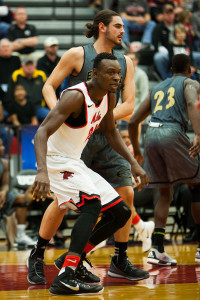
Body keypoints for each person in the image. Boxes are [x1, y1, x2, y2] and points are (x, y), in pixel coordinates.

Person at [27, 9, 153, 286]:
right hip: (60, 156)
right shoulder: (75, 89)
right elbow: (42, 130)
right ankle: (59, 270)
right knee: (84, 204)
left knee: (120, 209)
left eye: (117, 74)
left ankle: (76, 260)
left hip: (81, 153)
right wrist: (42, 171)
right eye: (117, 26)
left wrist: (134, 162)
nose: (116, 78)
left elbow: (111, 130)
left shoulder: (109, 93)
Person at [129, 53, 200, 265]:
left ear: (170, 70)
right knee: (197, 185)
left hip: (150, 135)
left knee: (164, 192)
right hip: (172, 132)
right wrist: (198, 132)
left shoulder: (158, 88)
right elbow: (191, 102)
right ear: (190, 70)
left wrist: (136, 150)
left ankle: (157, 250)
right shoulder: (190, 82)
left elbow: (133, 121)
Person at [0, 138, 36, 247]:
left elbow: (5, 183)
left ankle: (20, 234)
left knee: (21, 198)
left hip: (1, 194)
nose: (3, 147)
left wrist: (4, 191)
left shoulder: (4, 163)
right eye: (1, 145)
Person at [5, 55, 49, 122]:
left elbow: (48, 92)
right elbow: (9, 95)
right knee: (4, 115)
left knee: (51, 116)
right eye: (26, 65)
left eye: (31, 65)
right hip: (19, 107)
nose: (29, 67)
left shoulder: (42, 75)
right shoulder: (16, 75)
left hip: (38, 107)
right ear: (22, 66)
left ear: (35, 65)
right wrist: (12, 111)